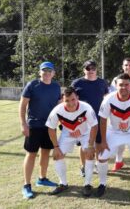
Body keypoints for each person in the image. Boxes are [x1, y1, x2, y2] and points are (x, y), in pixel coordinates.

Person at [98, 73, 130, 196]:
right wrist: (103, 141)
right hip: (114, 132)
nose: (124, 87)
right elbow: (103, 120)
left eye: (127, 85)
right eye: (121, 85)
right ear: (116, 85)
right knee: (101, 156)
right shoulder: (109, 99)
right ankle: (102, 184)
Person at [46, 87, 103, 197]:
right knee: (58, 155)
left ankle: (87, 184)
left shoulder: (86, 108)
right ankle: (63, 183)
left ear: (77, 97)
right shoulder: (57, 110)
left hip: (85, 132)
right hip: (68, 134)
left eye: (73, 99)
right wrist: (56, 147)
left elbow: (94, 126)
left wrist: (91, 145)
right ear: (63, 100)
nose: (71, 103)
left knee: (89, 154)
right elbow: (51, 128)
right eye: (67, 100)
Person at [19, 61, 61, 199]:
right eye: (44, 70)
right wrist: (23, 124)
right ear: (40, 72)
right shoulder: (32, 85)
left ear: (53, 73)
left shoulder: (56, 86)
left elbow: (58, 105)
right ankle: (26, 185)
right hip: (34, 126)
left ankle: (42, 178)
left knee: (45, 152)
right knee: (31, 154)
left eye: (50, 71)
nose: (47, 73)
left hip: (50, 126)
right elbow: (23, 105)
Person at [71, 60, 109, 177]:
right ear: (84, 70)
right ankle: (84, 167)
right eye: (88, 68)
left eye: (93, 68)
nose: (91, 71)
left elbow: (106, 98)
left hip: (99, 117)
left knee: (98, 142)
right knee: (84, 144)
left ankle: (97, 164)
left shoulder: (102, 82)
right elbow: (70, 98)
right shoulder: (77, 83)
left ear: (96, 69)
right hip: (82, 119)